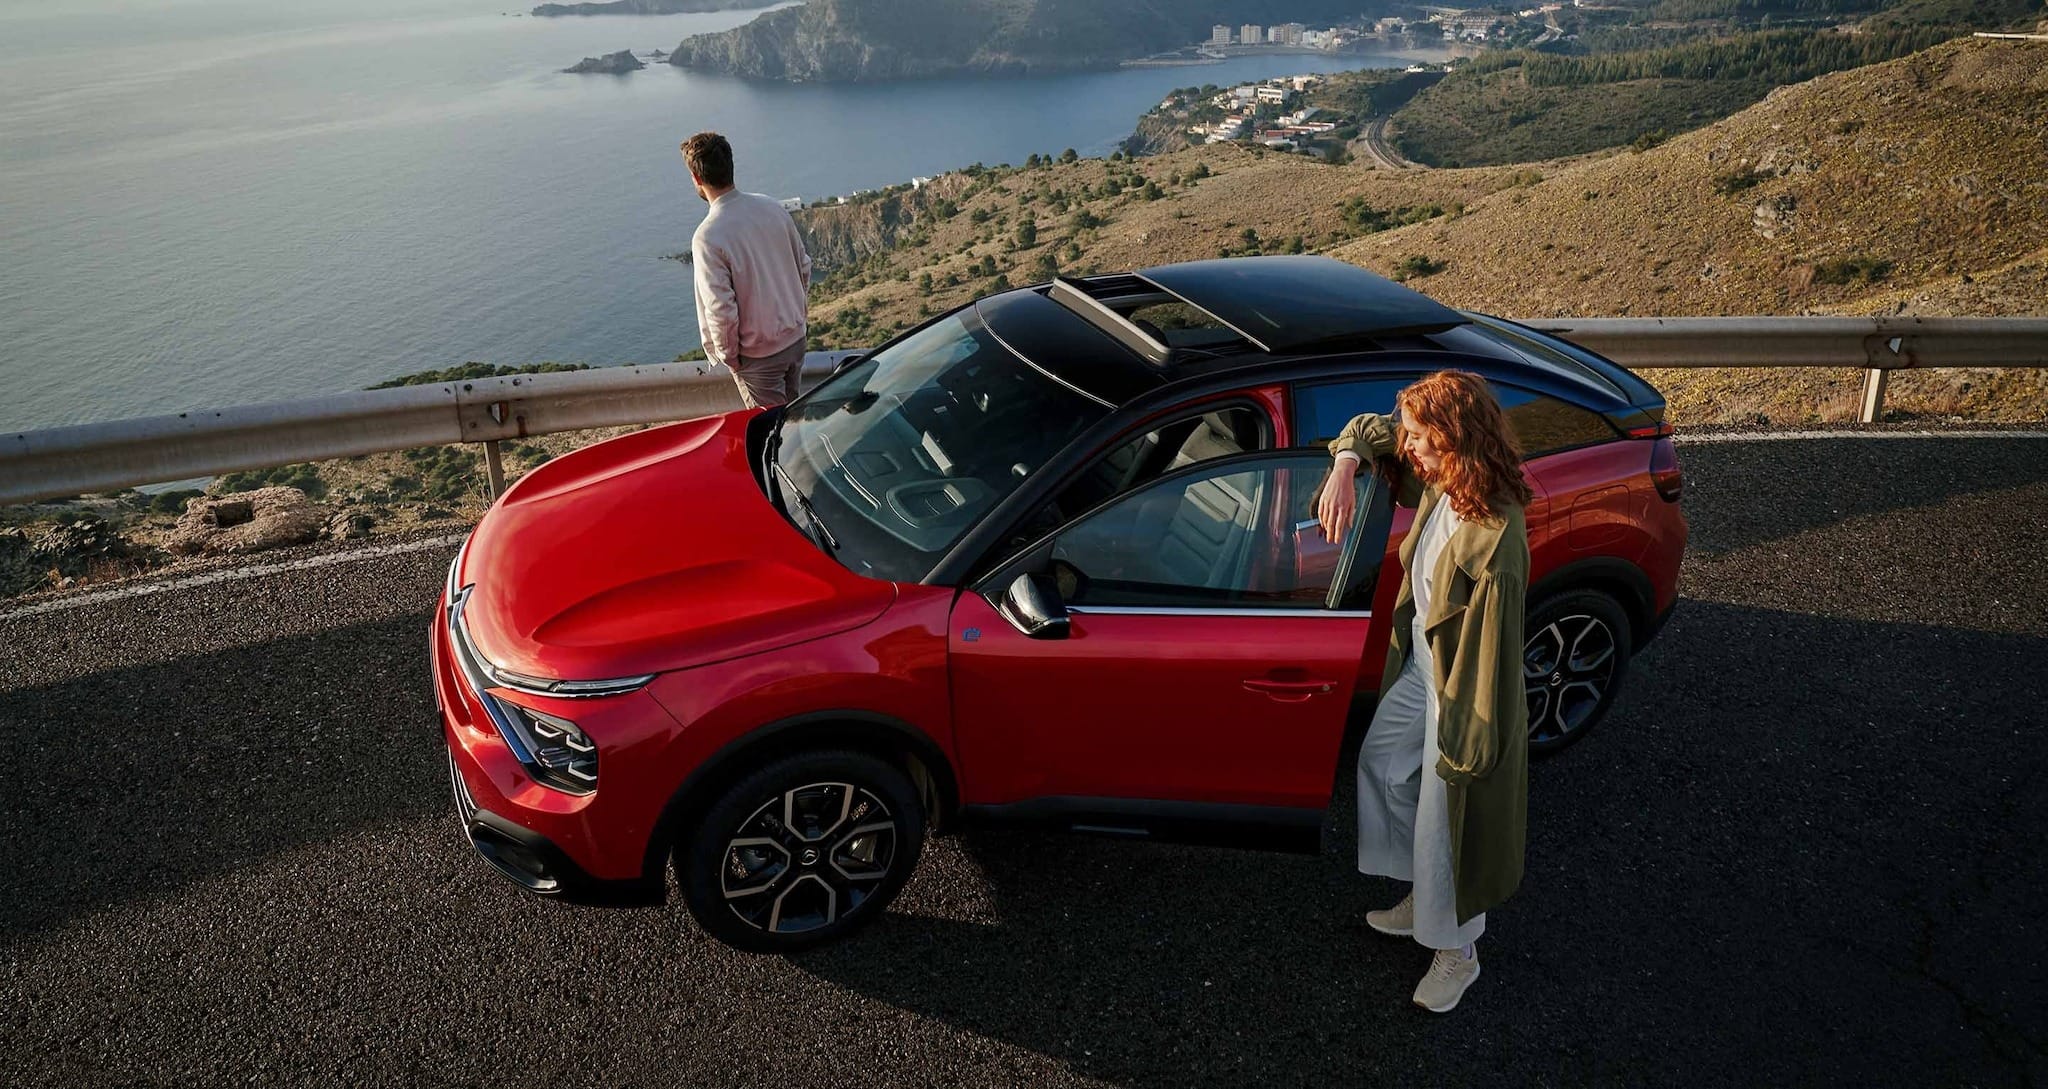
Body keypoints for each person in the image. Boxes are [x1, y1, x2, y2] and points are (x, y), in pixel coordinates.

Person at [1315, 369, 1532, 1014]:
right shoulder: (1448, 477)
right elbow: (1370, 430)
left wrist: (1470, 747)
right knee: (1381, 762)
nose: (1405, 446)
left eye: (1417, 436)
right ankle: (1422, 890)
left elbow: (1490, 654)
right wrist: (1346, 466)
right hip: (1424, 666)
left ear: (1452, 436)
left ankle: (1456, 948)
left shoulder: (1495, 536)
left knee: (1448, 814)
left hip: (1464, 688)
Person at [682, 131, 813, 408]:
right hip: (795, 338)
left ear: (696, 178)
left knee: (771, 437)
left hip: (758, 357)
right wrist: (797, 317)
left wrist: (730, 358)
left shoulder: (708, 236)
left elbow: (721, 309)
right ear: (730, 167)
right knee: (794, 422)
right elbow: (804, 267)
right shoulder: (772, 207)